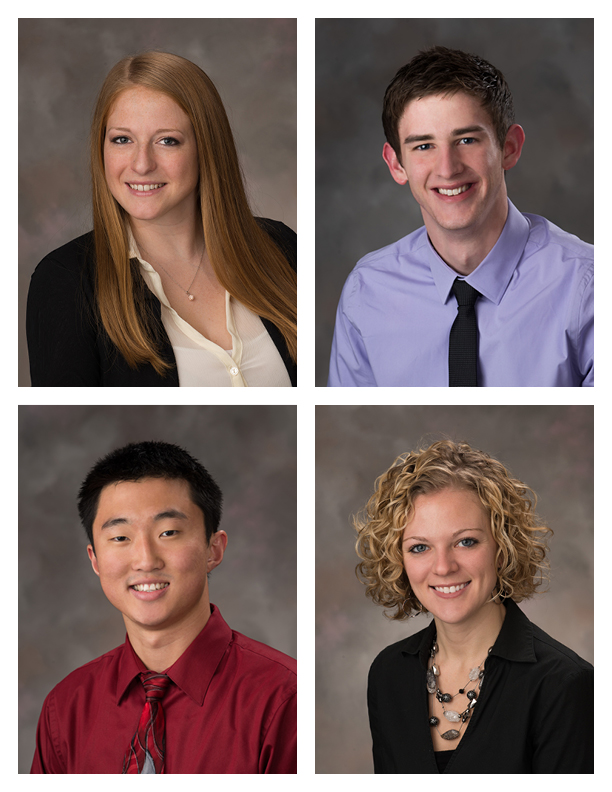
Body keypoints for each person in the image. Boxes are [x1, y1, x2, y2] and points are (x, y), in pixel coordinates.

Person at [27, 51, 297, 387]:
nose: (141, 164)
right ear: (102, 149)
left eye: (167, 141)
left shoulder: (282, 247)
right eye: (122, 140)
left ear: (207, 148)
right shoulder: (65, 283)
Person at [328, 46, 593, 387]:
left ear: (509, 147)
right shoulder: (366, 292)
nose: (448, 168)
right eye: (423, 146)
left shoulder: (590, 288)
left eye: (466, 139)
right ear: (396, 164)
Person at [30, 441, 297, 773]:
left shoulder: (284, 698)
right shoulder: (66, 707)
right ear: (95, 559)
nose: (145, 560)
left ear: (214, 549)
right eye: (120, 538)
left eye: (168, 532)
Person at [354, 439, 593, 773]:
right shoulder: (388, 674)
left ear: (503, 544)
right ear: (398, 559)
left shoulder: (564, 684)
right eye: (420, 547)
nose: (443, 566)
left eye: (466, 542)